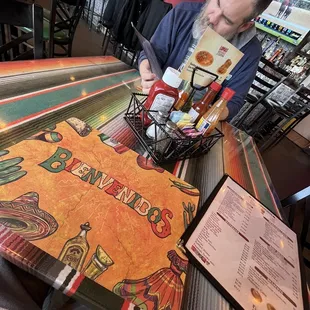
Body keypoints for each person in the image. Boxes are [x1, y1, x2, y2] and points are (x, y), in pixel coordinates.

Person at [139, 0, 273, 122]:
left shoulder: (250, 51)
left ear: (243, 27)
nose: (212, 18)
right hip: (155, 99)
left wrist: (203, 113)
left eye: (226, 20)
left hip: (190, 121)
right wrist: (146, 70)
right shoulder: (183, 12)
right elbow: (153, 53)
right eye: (217, 3)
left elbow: (233, 102)